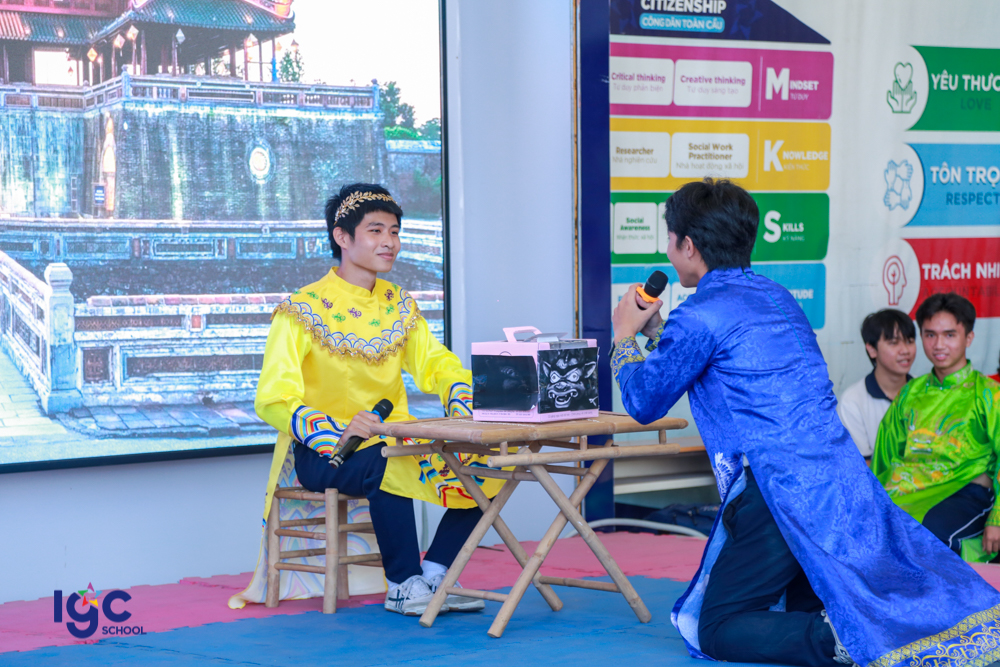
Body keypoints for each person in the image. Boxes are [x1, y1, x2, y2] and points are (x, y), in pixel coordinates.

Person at [610, 178, 1000, 667]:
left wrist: (623, 337)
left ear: (688, 245)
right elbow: (721, 363)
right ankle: (850, 626)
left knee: (717, 627)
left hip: (779, 490)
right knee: (803, 603)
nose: (669, 251)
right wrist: (658, 334)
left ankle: (846, 639)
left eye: (670, 240)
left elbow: (644, 400)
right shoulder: (777, 298)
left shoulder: (701, 312)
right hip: (840, 482)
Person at [229, 183, 496, 616]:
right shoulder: (302, 309)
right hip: (328, 452)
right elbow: (273, 397)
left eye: (394, 231)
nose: (389, 242)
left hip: (394, 440)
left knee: (492, 462)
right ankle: (403, 583)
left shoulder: (399, 305)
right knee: (387, 462)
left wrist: (465, 404)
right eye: (376, 231)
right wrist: (335, 430)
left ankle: (436, 572)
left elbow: (437, 365)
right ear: (342, 237)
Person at [873, 293, 1000, 562]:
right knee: (865, 530)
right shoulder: (910, 393)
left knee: (926, 539)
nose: (939, 345)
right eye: (930, 335)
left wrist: (998, 518)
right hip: (906, 491)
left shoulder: (988, 394)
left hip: (965, 491)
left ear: (968, 338)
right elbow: (885, 457)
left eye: (950, 335)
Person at [836, 309, 915, 460]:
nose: (905, 350)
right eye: (894, 343)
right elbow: (862, 466)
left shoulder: (926, 390)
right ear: (872, 350)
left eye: (909, 341)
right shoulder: (852, 402)